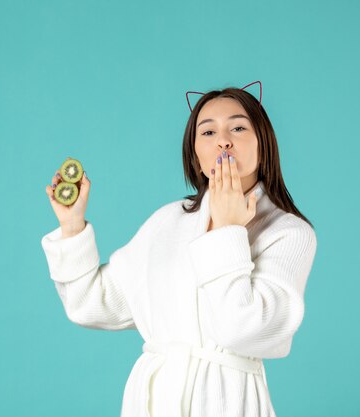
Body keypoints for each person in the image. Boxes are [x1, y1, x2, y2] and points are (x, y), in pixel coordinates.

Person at [41, 81, 317, 417]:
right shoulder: (167, 221)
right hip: (153, 402)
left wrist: (227, 229)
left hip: (228, 401)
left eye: (239, 127)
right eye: (208, 132)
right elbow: (90, 305)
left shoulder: (288, 233)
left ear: (264, 145)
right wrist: (72, 228)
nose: (223, 140)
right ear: (195, 154)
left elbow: (241, 331)